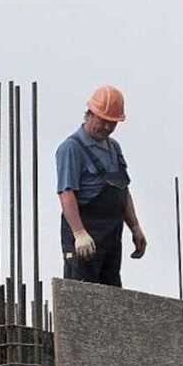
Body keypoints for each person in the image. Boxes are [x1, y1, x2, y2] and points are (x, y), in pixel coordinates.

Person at [56, 85, 147, 287]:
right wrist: (79, 233)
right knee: (82, 296)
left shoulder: (114, 148)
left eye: (112, 123)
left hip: (111, 235)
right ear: (90, 114)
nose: (107, 127)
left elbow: (122, 190)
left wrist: (135, 227)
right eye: (103, 121)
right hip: (86, 235)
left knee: (110, 298)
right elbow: (66, 193)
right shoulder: (71, 148)